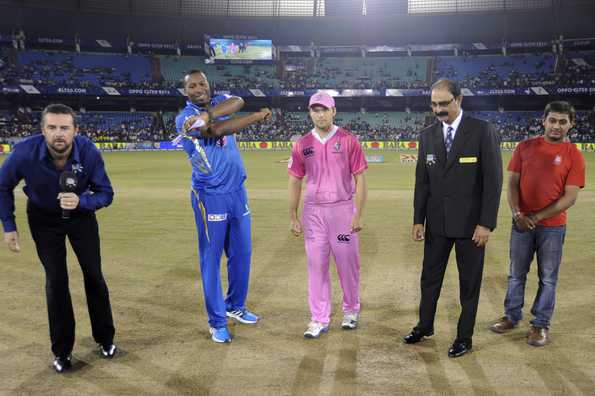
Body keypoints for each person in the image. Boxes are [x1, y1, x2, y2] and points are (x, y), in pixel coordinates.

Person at [0, 104, 117, 373]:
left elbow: (106, 193)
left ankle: (106, 339)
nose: (58, 134)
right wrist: (9, 225)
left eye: (64, 127)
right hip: (43, 220)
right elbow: (3, 186)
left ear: (75, 130)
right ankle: (62, 351)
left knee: (94, 276)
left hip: (81, 218)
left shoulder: (88, 151)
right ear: (43, 130)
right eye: (52, 128)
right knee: (56, 282)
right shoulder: (24, 153)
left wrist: (82, 202)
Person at [404, 79, 503, 357]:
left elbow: (493, 182)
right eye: (434, 104)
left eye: (444, 103)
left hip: (472, 227)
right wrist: (418, 219)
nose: (438, 109)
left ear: (459, 100)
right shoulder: (427, 135)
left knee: (468, 284)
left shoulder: (483, 131)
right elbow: (422, 182)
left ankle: (464, 337)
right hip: (436, 225)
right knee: (429, 279)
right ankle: (425, 326)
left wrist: (486, 223)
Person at [175, 69, 271, 343]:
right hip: (210, 194)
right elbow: (214, 130)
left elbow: (238, 100)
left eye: (202, 83)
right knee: (211, 259)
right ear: (186, 91)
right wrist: (254, 117)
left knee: (242, 253)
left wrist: (209, 112)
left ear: (208, 85)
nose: (198, 88)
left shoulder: (220, 101)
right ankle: (217, 321)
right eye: (192, 85)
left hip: (237, 192)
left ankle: (235, 306)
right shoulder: (184, 118)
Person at [489, 101, 585, 346]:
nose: (556, 126)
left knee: (548, 278)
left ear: (571, 125)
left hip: (552, 227)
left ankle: (540, 325)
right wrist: (517, 213)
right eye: (552, 120)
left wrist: (536, 217)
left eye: (563, 122)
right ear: (543, 121)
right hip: (521, 223)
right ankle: (512, 316)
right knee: (516, 274)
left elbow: (570, 197)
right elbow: (511, 184)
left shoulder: (574, 155)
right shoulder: (525, 147)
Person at [288, 92, 368, 339]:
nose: (320, 114)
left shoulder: (348, 140)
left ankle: (351, 309)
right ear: (310, 112)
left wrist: (357, 213)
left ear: (334, 111)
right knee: (316, 266)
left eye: (324, 110)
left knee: (347, 264)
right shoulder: (302, 144)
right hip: (314, 214)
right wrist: (293, 214)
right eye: (315, 110)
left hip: (342, 211)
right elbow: (295, 180)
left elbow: (360, 179)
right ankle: (319, 317)